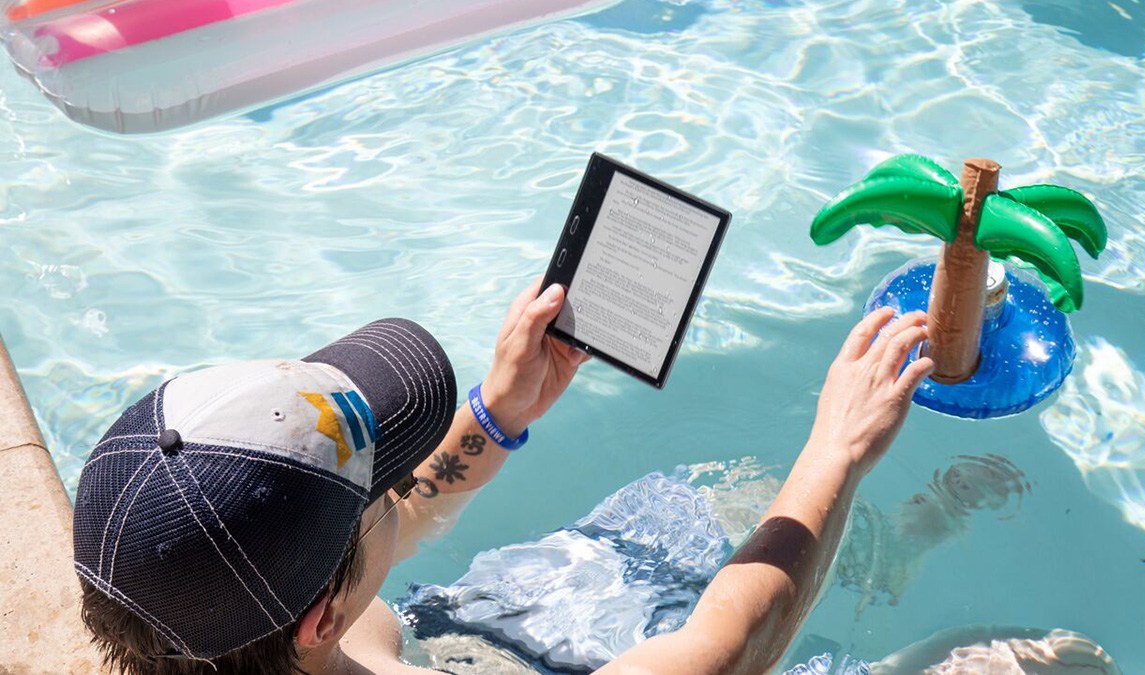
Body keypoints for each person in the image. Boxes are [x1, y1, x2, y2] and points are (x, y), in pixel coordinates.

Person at [74, 278, 933, 674]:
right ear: (319, 618)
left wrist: (499, 410)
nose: (402, 483)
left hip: (461, 637)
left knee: (700, 503)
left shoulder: (198, 625)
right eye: (379, 484)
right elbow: (732, 646)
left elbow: (405, 515)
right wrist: (837, 447)